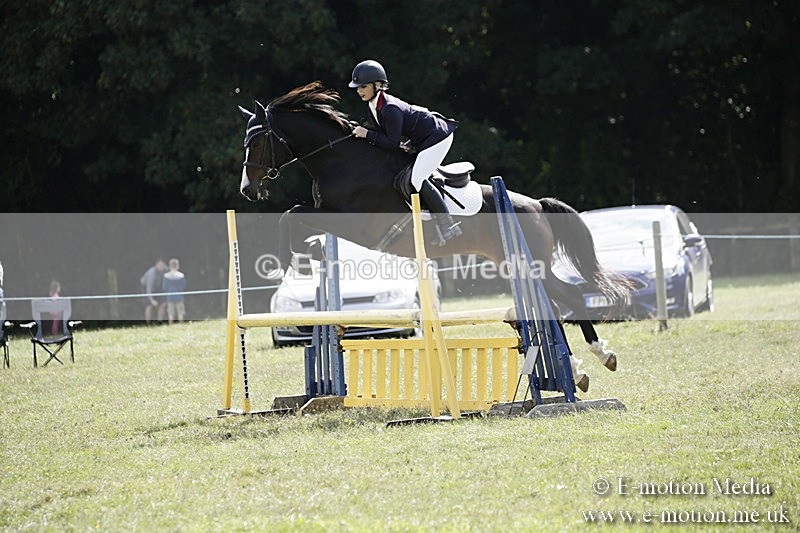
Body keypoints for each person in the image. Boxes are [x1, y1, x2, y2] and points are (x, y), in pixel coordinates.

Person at [348, 59, 462, 245]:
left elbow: (392, 143)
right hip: (421, 137)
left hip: (438, 136)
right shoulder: (373, 105)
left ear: (378, 85)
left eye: (364, 87)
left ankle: (448, 225)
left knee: (417, 178)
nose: (360, 91)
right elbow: (385, 134)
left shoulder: (389, 108)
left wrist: (366, 133)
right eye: (358, 87)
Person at [141, 259, 166, 325]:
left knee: (163, 304)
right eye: (160, 265)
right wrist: (152, 300)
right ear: (156, 265)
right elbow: (149, 288)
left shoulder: (165, 270)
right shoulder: (152, 273)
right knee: (149, 306)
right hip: (146, 287)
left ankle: (160, 322)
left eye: (163, 265)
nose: (161, 267)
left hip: (158, 288)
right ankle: (148, 323)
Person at [162, 258, 186, 325]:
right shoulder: (181, 275)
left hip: (170, 296)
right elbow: (183, 286)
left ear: (169, 266)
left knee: (170, 313)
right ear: (178, 266)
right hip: (179, 296)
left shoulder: (166, 276)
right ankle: (181, 325)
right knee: (180, 313)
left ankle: (171, 325)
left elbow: (164, 287)